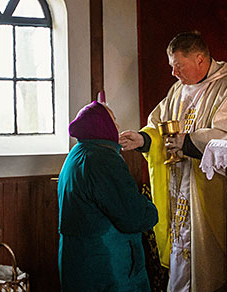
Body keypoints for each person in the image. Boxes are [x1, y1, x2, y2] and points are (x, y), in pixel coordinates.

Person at [120, 31, 227, 292]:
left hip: (212, 198)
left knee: (209, 264)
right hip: (181, 194)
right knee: (182, 257)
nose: (174, 73)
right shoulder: (177, 91)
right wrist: (143, 140)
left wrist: (188, 143)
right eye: (172, 66)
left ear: (200, 59)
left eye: (179, 65)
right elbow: (159, 126)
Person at [58, 100, 158, 291]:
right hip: (106, 265)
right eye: (113, 120)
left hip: (78, 261)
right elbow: (132, 216)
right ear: (101, 125)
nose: (118, 126)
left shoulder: (77, 153)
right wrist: (150, 209)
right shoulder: (103, 160)